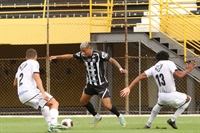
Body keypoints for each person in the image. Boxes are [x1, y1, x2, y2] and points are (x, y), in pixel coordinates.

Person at [49, 41, 127, 128]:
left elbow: (111, 59)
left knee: (107, 106)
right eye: (82, 51)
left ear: (90, 48)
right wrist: (57, 57)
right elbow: (71, 56)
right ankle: (96, 116)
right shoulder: (82, 55)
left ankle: (120, 116)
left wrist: (120, 68)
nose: (83, 53)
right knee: (83, 101)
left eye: (84, 51)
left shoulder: (99, 54)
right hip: (90, 84)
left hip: (101, 85)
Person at [120, 50, 195, 129]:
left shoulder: (154, 67)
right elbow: (179, 75)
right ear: (167, 58)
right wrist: (188, 70)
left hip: (162, 96)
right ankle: (172, 119)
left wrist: (129, 87)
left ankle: (148, 124)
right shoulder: (169, 63)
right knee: (189, 99)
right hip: (171, 95)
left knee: (158, 106)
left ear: (157, 59)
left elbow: (140, 76)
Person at [13, 48, 67, 132]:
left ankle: (50, 127)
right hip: (30, 92)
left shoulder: (21, 66)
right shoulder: (34, 62)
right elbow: (37, 77)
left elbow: (15, 83)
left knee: (44, 106)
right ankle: (54, 123)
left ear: (26, 57)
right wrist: (43, 93)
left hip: (21, 96)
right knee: (54, 103)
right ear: (36, 57)